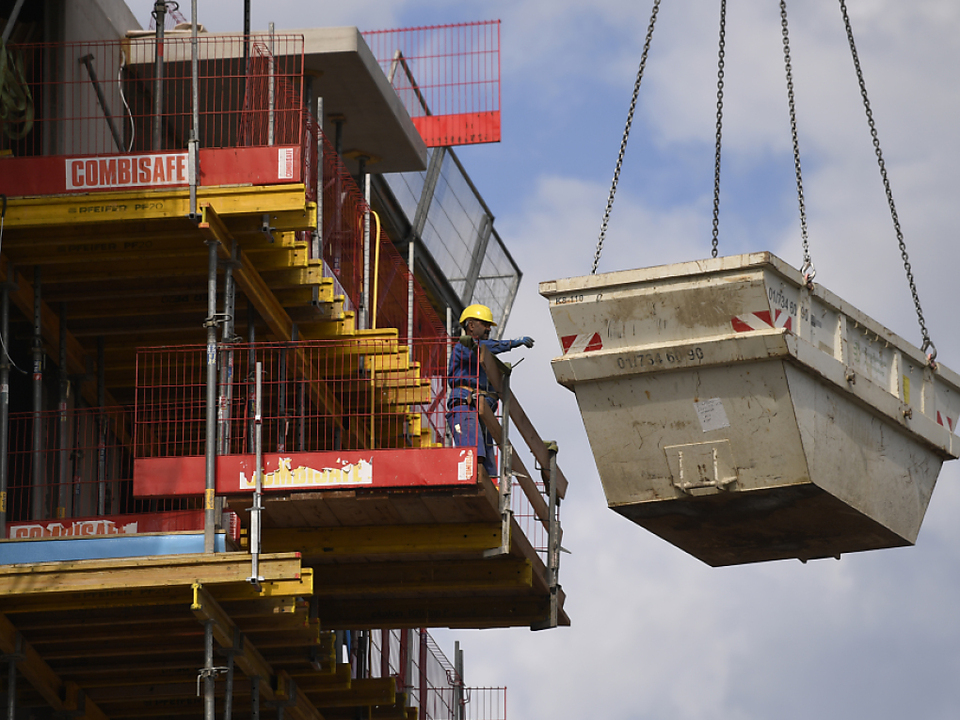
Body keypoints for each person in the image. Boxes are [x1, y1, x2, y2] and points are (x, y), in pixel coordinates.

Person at [446, 304, 534, 477]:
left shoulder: (482, 357)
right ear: (471, 325)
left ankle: (488, 483)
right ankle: (472, 479)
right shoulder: (465, 347)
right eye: (485, 324)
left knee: (488, 462)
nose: (488, 329)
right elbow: (484, 348)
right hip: (466, 404)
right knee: (473, 452)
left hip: (481, 410)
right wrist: (512, 343)